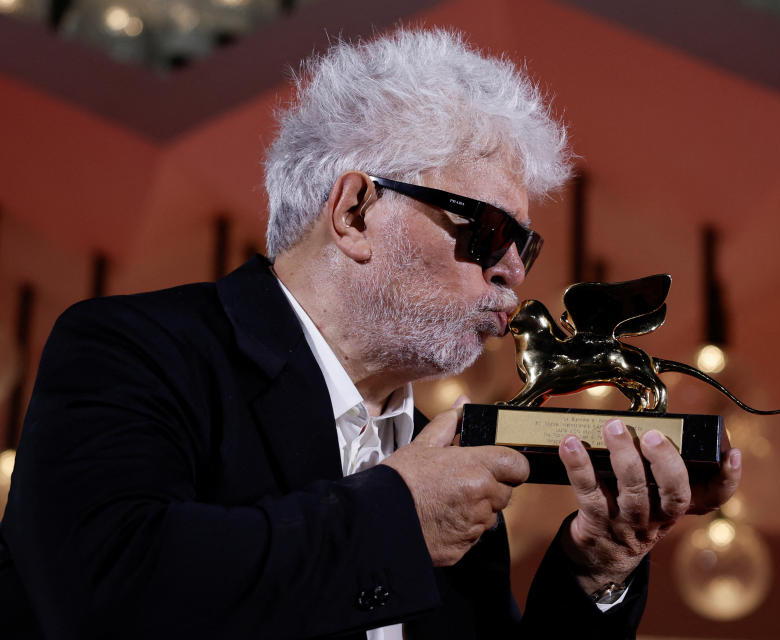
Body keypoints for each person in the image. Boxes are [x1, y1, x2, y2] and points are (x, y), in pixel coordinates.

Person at [0, 29, 740, 639]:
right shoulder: (137, 350)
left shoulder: (441, 463)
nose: (515, 268)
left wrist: (596, 569)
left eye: (528, 246)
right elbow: (100, 591)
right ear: (354, 211)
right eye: (488, 231)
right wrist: (399, 522)